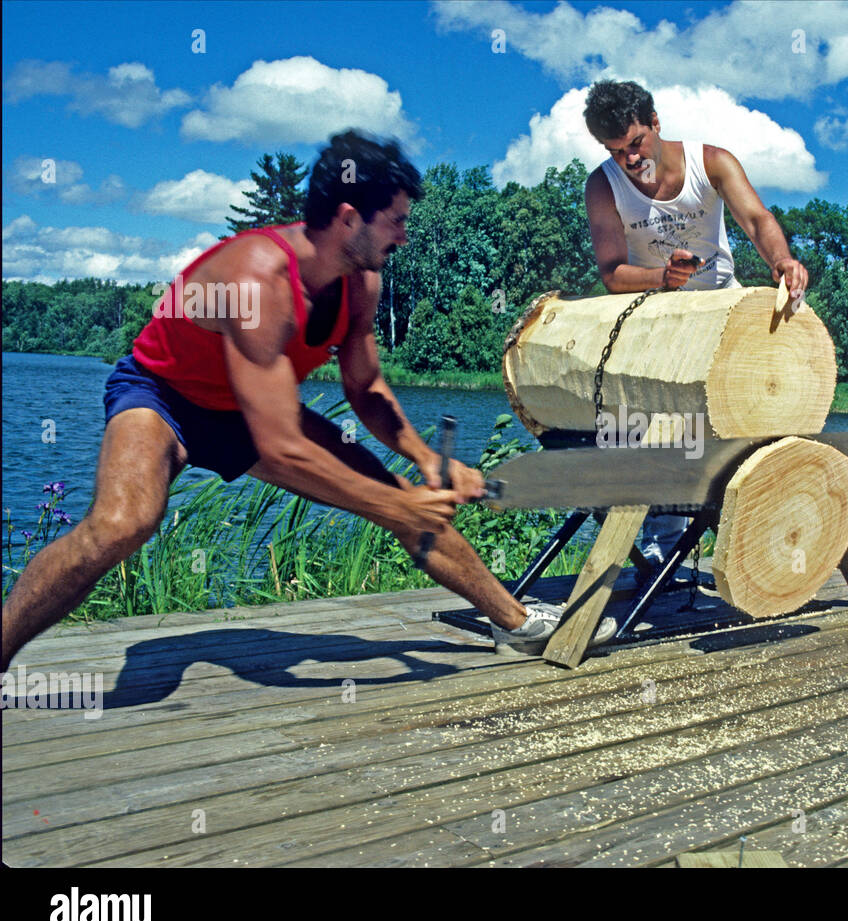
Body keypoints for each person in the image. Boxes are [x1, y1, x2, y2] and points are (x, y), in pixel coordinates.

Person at [1, 130, 609, 667]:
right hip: (163, 396)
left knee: (399, 493)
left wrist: (428, 460)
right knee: (122, 523)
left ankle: (518, 624)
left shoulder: (362, 281)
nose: (404, 233)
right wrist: (396, 510)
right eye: (395, 219)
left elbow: (366, 391)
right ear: (349, 218)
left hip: (244, 411)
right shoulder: (258, 279)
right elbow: (281, 448)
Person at [582, 79, 810, 569]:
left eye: (636, 143)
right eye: (615, 150)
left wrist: (783, 261)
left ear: (656, 123)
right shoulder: (602, 186)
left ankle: (767, 529)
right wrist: (661, 278)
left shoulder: (711, 163)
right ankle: (664, 546)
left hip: (723, 308)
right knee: (664, 429)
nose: (630, 159)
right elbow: (611, 273)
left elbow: (758, 220)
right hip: (655, 313)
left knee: (752, 416)